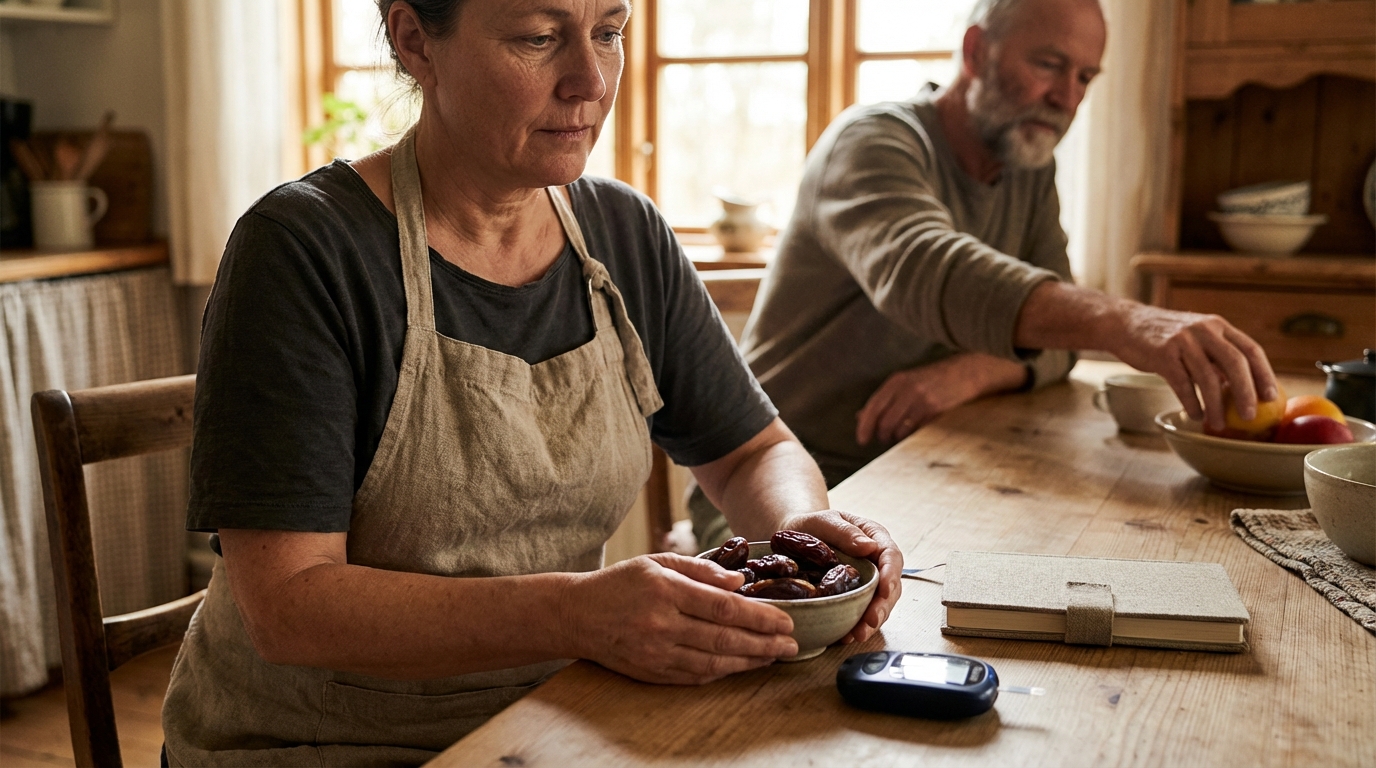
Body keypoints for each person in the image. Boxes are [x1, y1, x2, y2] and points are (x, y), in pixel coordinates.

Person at [159, 1, 902, 765]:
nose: (590, 82)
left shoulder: (624, 235)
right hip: (323, 742)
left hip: (560, 716)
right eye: (539, 38)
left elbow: (751, 453)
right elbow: (288, 608)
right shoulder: (304, 250)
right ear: (415, 41)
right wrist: (576, 615)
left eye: (608, 33)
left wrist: (805, 537)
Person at [690, 0, 1278, 548]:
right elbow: (924, 269)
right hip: (781, 488)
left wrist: (973, 371)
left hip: (919, 473)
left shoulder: (1027, 167)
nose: (1067, 98)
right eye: (1049, 65)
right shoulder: (871, 141)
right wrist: (1123, 322)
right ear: (975, 52)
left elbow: (1060, 343)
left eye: (1085, 77)